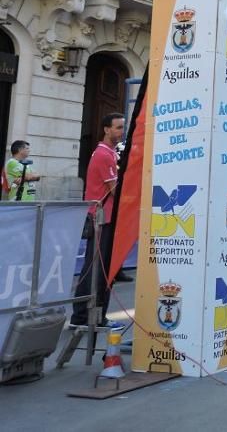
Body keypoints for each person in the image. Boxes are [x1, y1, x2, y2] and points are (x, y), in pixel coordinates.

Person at [71, 113, 125, 327]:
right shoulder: (103, 154)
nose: (121, 132)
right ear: (106, 129)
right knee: (95, 269)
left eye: (122, 127)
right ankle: (83, 316)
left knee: (103, 269)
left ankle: (96, 316)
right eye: (118, 128)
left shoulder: (111, 153)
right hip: (101, 219)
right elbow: (116, 191)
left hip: (108, 218)